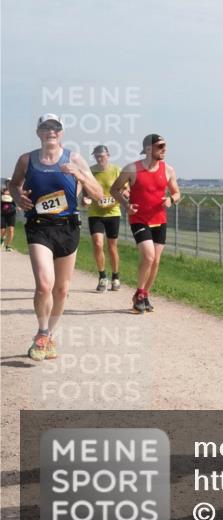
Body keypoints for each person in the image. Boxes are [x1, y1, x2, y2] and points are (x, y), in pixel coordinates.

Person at [7, 114, 102, 361]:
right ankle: (41, 332)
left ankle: (50, 335)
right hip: (39, 226)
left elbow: (99, 194)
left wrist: (79, 175)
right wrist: (18, 198)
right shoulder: (27, 160)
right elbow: (14, 185)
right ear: (38, 132)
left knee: (61, 290)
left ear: (61, 133)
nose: (51, 131)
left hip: (68, 227)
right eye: (46, 127)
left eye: (55, 127)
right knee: (44, 285)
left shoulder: (75, 158)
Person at [110, 134, 181, 314]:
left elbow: (177, 193)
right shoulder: (131, 169)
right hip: (139, 219)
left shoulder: (169, 170)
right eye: (160, 146)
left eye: (165, 146)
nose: (164, 149)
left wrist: (171, 200)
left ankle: (144, 294)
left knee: (155, 261)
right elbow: (114, 189)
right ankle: (140, 294)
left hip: (160, 220)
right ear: (148, 149)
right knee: (148, 256)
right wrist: (126, 205)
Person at [82, 145, 123, 291]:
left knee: (112, 246)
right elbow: (85, 192)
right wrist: (85, 199)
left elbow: (125, 191)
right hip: (95, 213)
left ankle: (116, 277)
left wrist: (121, 197)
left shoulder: (117, 170)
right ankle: (102, 277)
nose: (100, 158)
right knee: (98, 244)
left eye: (102, 155)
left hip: (113, 213)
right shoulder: (90, 171)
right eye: (97, 156)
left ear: (108, 155)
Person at [1, 181, 16, 251]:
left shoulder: (15, 191)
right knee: (2, 230)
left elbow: (18, 199)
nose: (9, 184)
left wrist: (18, 206)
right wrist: (6, 193)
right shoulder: (2, 190)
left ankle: (8, 246)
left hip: (12, 213)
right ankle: (2, 238)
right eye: (8, 183)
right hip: (3, 213)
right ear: (6, 184)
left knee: (11, 230)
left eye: (10, 182)